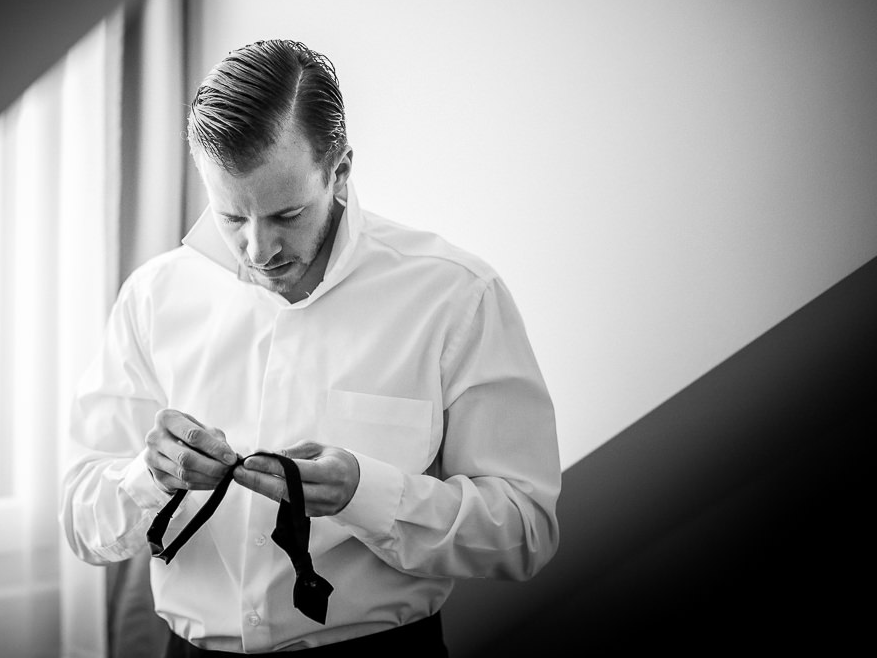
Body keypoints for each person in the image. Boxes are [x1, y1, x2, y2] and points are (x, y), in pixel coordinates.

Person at [61, 39, 561, 656]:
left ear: (340, 171)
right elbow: (81, 523)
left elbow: (525, 531)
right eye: (231, 217)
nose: (258, 251)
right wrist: (149, 476)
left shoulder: (455, 297)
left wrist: (366, 495)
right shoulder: (154, 296)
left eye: (287, 214)